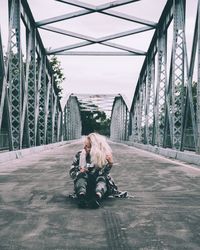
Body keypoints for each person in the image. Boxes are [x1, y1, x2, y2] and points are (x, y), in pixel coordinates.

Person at [69, 132, 118, 208]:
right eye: (84, 145)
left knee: (101, 177)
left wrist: (110, 164)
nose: (85, 148)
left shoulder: (103, 156)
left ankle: (96, 199)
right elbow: (72, 172)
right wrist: (79, 172)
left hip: (100, 187)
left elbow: (104, 174)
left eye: (88, 146)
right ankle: (82, 198)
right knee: (82, 175)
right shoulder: (80, 154)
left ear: (95, 148)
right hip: (85, 186)